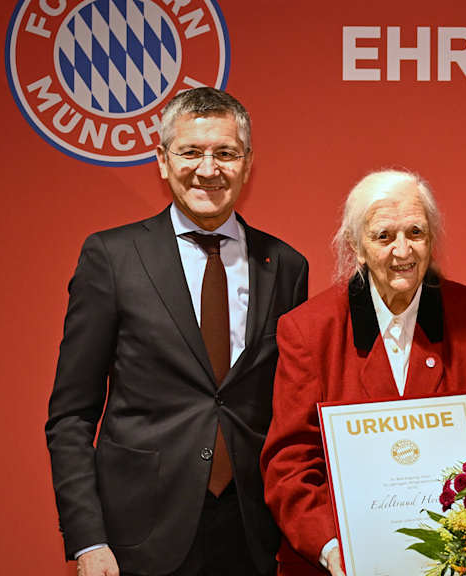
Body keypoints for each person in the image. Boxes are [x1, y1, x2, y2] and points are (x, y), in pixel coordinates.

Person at [45, 87, 309, 576]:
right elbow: (71, 416)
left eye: (225, 153)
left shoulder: (286, 266)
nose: (208, 169)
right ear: (163, 161)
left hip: (251, 533)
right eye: (191, 151)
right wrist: (87, 540)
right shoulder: (112, 257)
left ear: (247, 163)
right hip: (137, 540)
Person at [260, 169, 466, 576]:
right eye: (383, 236)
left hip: (457, 561)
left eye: (416, 232)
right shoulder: (309, 331)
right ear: (357, 246)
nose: (403, 251)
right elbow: (289, 463)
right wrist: (332, 548)